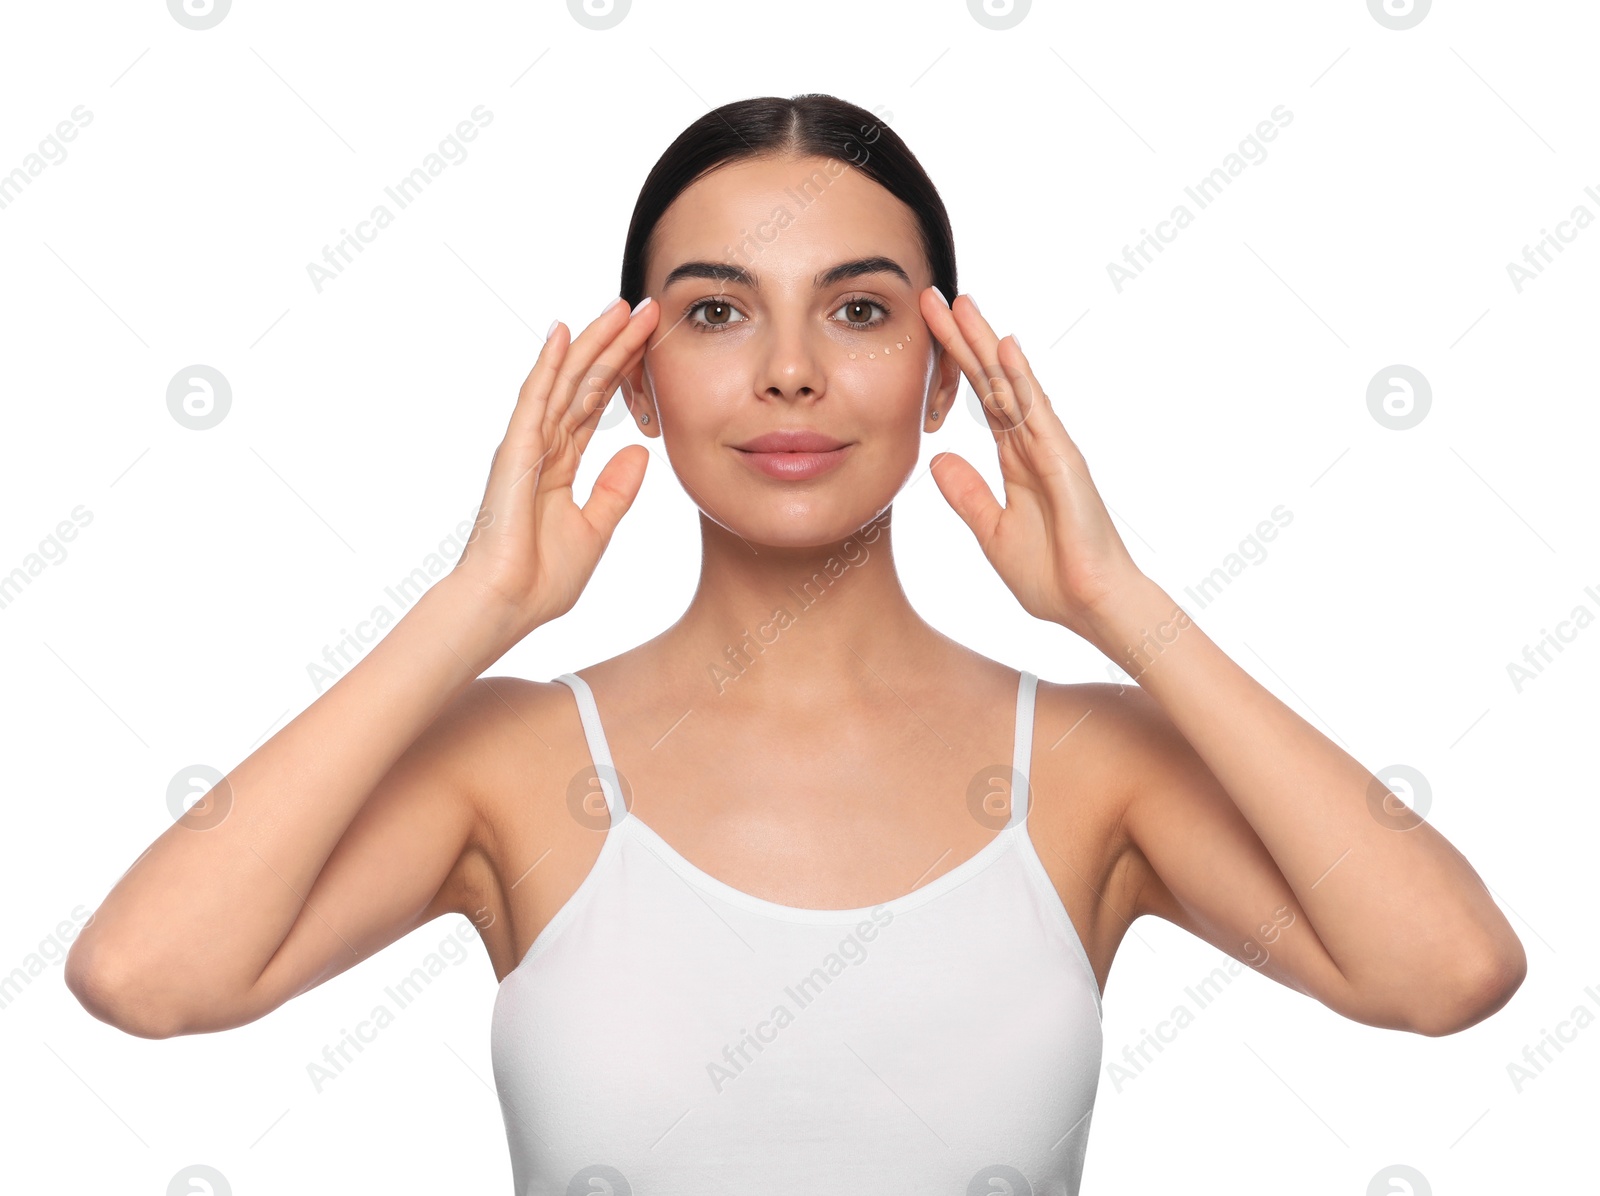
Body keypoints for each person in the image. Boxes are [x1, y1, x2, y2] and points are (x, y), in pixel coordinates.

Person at [65, 94, 1526, 1193]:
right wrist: (477, 606)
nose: (788, 370)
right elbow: (149, 978)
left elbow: (1446, 974)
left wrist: (1118, 605)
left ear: (943, 373)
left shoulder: (1089, 765)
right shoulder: (510, 762)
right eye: (716, 311)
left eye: (860, 309)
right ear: (636, 380)